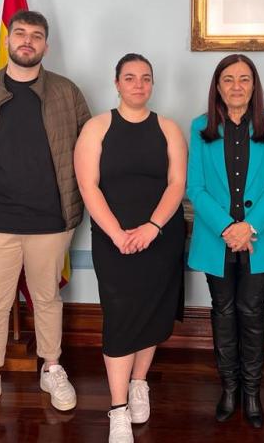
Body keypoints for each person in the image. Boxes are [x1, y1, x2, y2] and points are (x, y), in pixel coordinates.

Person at [0, 10, 91, 428]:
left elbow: (86, 147)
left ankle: (51, 368)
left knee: (47, 298)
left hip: (52, 219)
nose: (27, 41)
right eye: (20, 34)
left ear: (46, 45)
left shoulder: (67, 93)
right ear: (9, 39)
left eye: (36, 35)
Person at [74, 53, 187, 443]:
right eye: (130, 77)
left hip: (160, 238)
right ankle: (118, 408)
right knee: (121, 317)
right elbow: (88, 186)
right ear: (117, 83)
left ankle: (140, 382)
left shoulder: (169, 128)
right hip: (114, 240)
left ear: (152, 84)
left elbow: (176, 184)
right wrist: (119, 234)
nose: (138, 84)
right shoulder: (96, 128)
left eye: (145, 78)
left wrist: (153, 228)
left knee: (153, 312)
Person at [187, 54, 264, 429]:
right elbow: (194, 188)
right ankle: (229, 388)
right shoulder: (200, 127)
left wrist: (248, 227)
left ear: (254, 86)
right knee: (223, 311)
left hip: (258, 239)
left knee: (251, 310)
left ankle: (252, 391)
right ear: (217, 86)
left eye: (244, 79)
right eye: (228, 79)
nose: (236, 86)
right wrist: (227, 229)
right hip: (217, 240)